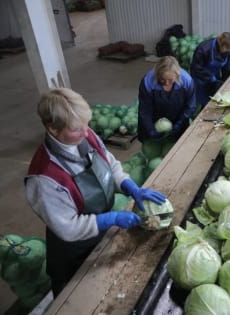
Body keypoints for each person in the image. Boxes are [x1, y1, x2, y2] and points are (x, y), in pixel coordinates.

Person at [25, 88, 166, 297]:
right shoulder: (44, 177)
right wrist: (111, 218)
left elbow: (109, 163)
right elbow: (69, 228)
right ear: (53, 128)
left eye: (86, 124)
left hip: (101, 235)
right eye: (76, 129)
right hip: (74, 250)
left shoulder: (86, 135)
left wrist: (130, 186)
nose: (85, 132)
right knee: (77, 298)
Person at [138, 56, 196, 143]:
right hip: (154, 119)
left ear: (177, 75)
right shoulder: (148, 81)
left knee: (176, 145)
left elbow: (190, 105)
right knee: (152, 145)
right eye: (162, 79)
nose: (166, 83)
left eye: (170, 80)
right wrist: (150, 129)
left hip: (178, 117)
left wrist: (180, 122)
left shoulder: (186, 81)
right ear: (157, 74)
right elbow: (145, 109)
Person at [190, 32, 230, 108]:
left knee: (214, 98)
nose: (227, 51)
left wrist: (226, 82)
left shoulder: (228, 49)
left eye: (228, 50)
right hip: (200, 77)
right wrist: (210, 77)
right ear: (222, 46)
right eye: (226, 49)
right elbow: (196, 68)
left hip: (214, 75)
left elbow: (227, 68)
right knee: (204, 102)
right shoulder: (204, 49)